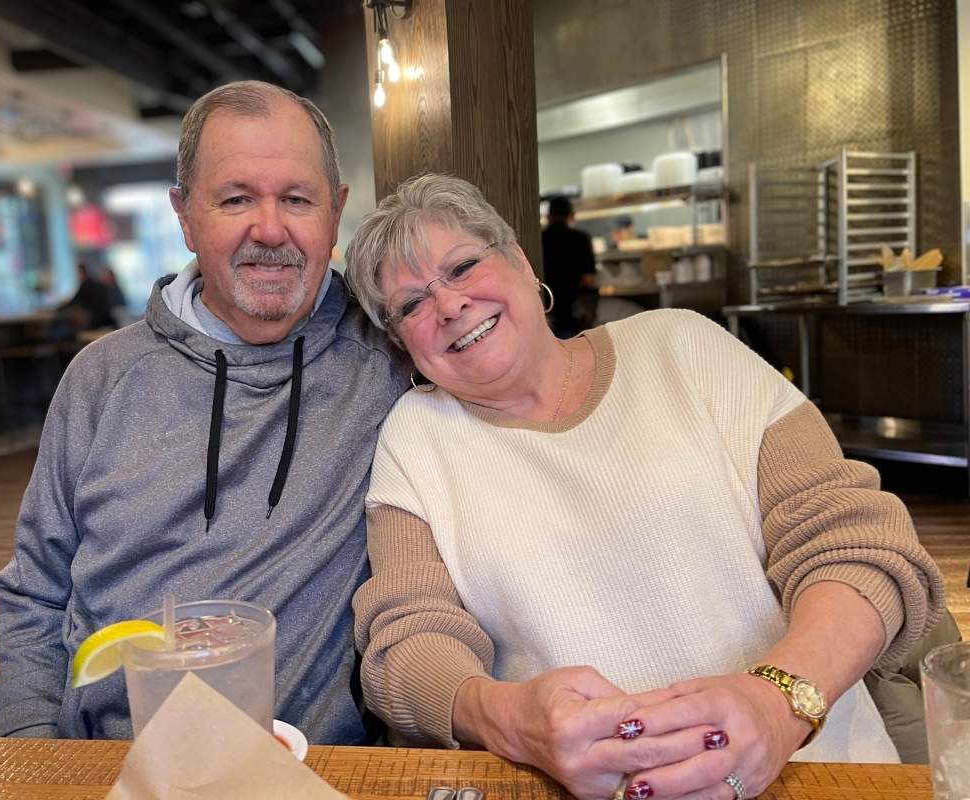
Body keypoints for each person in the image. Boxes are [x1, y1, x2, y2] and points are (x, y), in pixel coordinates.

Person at [343, 174, 945, 800]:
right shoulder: (415, 439)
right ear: (399, 341)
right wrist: (511, 720)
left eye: (463, 266)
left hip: (813, 772)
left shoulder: (683, 345)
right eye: (411, 304)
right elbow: (408, 634)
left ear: (520, 261)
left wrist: (777, 701)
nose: (448, 306)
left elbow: (857, 541)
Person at [0, 81, 408, 744]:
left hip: (312, 770)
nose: (270, 229)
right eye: (236, 199)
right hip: (106, 762)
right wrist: (28, 749)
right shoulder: (100, 379)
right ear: (185, 217)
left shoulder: (390, 362)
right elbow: (34, 596)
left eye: (297, 199)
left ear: (337, 211)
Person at [540, 194, 596, 336]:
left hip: (544, 307)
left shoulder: (539, 238)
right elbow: (588, 279)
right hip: (572, 311)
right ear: (571, 216)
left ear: (548, 216)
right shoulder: (581, 238)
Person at [59, 263, 117, 329]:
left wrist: (58, 309)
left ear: (81, 272)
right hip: (106, 318)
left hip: (96, 320)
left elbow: (75, 301)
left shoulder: (87, 284)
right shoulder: (95, 283)